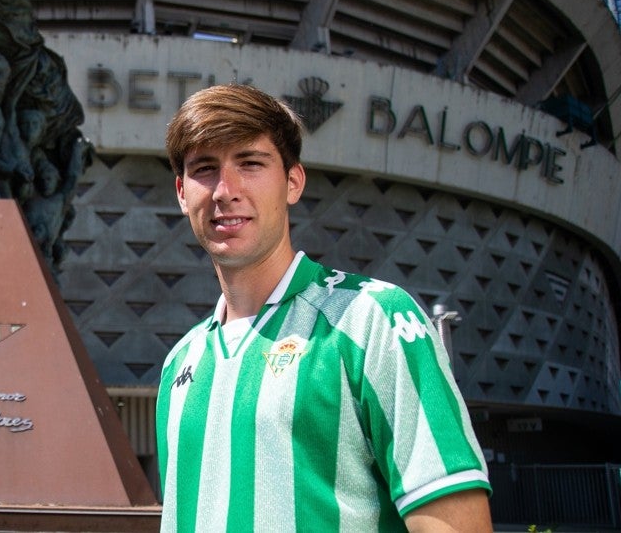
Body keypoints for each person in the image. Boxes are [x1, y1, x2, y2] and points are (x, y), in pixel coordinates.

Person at [156, 84, 491, 532]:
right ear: (182, 192)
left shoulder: (374, 319)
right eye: (205, 169)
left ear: (293, 182)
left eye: (250, 163)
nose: (225, 190)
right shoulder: (180, 361)